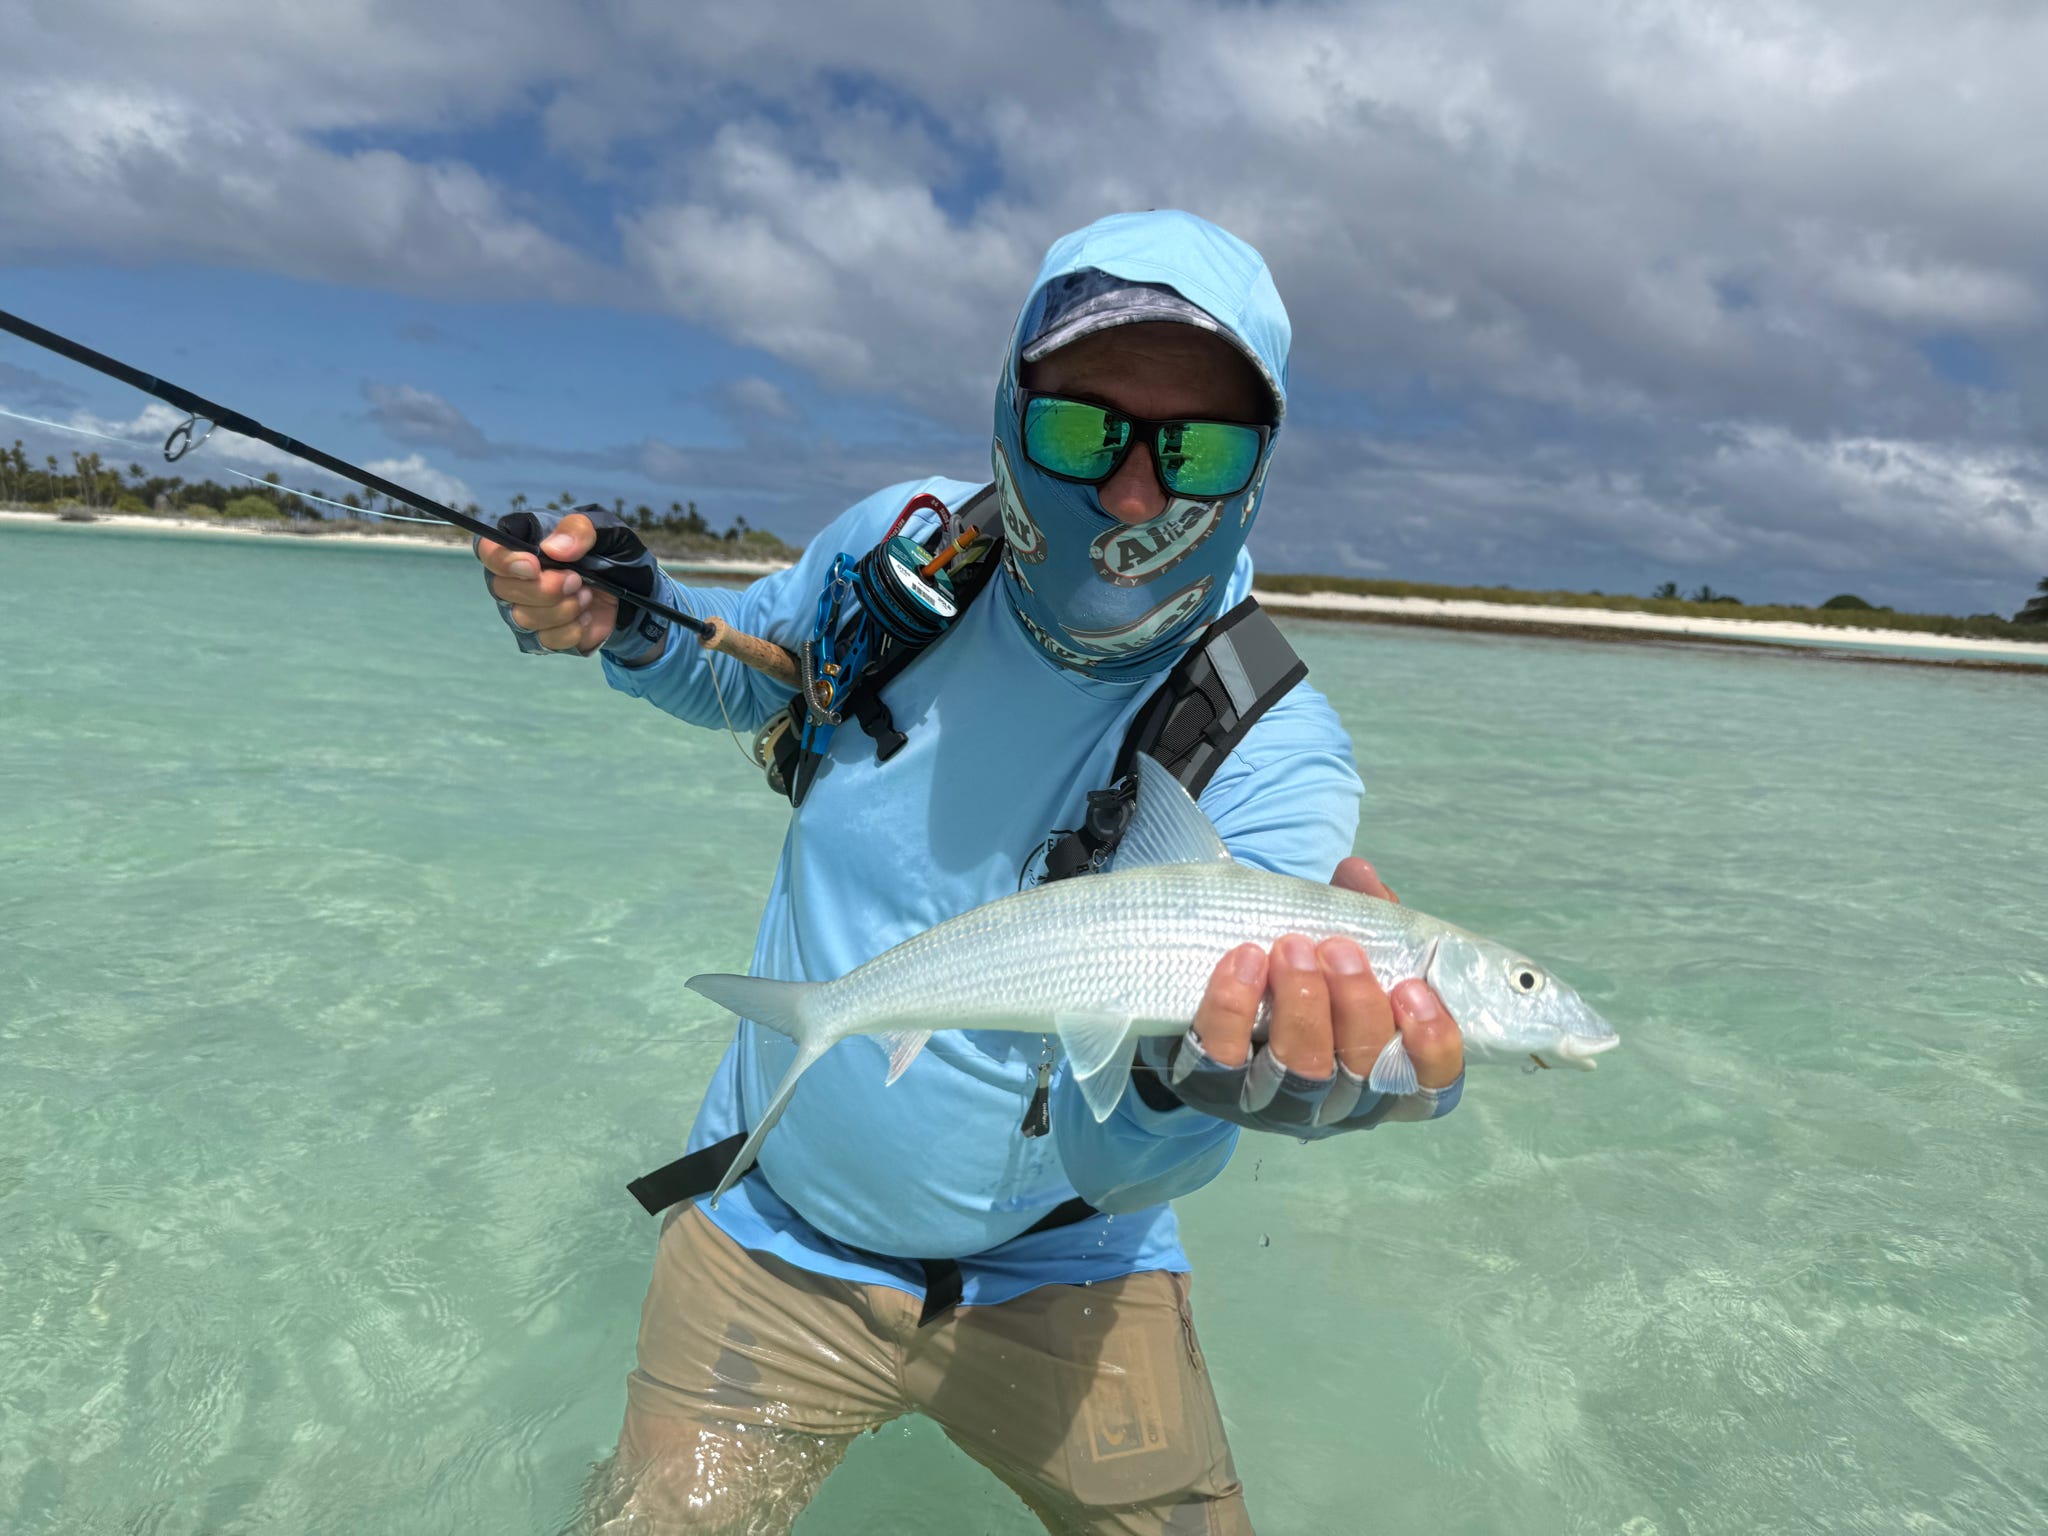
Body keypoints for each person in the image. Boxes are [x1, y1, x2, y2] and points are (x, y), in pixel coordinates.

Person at [477, 211, 1466, 1535]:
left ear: (1260, 468)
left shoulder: (1271, 749)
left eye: (1200, 449)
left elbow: (1123, 1161)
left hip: (1074, 1275)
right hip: (768, 1236)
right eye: (1082, 428)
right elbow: (754, 677)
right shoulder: (908, 551)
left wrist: (1196, 1081)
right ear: (1008, 405)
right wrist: (632, 621)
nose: (1134, 494)